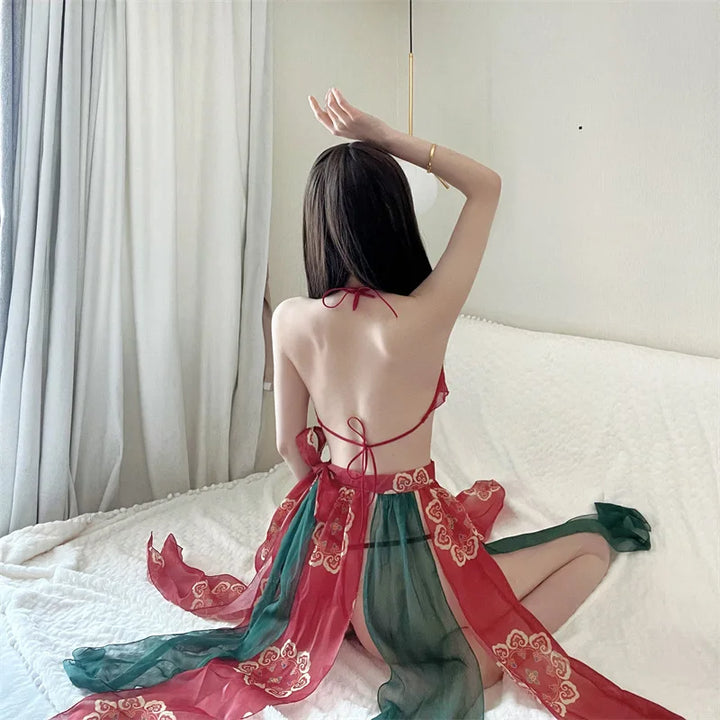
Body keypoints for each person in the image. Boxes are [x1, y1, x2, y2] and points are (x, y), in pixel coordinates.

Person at [51, 88, 685, 720]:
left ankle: (371, 622)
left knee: (462, 566)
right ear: (393, 219)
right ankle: (482, 658)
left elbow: (289, 445)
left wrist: (335, 520)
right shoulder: (424, 316)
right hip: (407, 579)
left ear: (317, 225)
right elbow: (486, 187)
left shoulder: (291, 318)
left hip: (322, 580)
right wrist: (384, 136)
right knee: (589, 547)